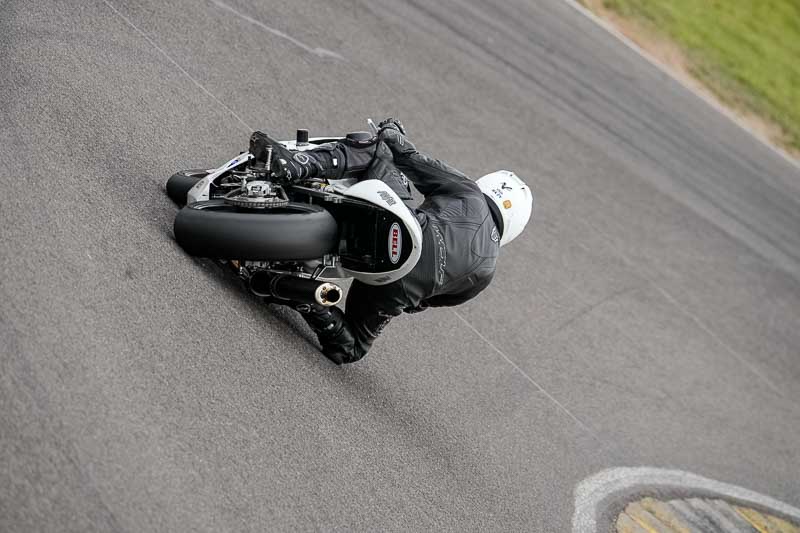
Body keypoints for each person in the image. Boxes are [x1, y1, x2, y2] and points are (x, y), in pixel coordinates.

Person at [251, 119, 533, 364]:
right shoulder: (486, 273)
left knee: (378, 151)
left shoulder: (469, 192)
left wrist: (390, 130)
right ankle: (309, 298)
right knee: (350, 349)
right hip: (395, 284)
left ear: (489, 185)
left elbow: (408, 157)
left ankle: (299, 166)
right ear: (513, 228)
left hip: (397, 228)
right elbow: (427, 303)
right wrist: (403, 295)